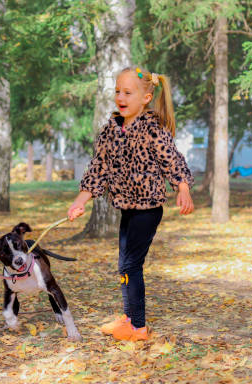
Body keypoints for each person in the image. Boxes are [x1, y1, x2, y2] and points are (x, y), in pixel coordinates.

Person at [67, 66, 194, 341]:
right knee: (124, 264)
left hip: (147, 210)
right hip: (128, 208)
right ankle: (128, 317)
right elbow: (97, 170)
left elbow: (173, 160)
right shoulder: (111, 131)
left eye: (127, 92)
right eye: (117, 91)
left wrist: (182, 188)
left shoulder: (152, 130)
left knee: (130, 265)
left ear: (146, 98)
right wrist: (80, 201)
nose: (120, 97)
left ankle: (138, 326)